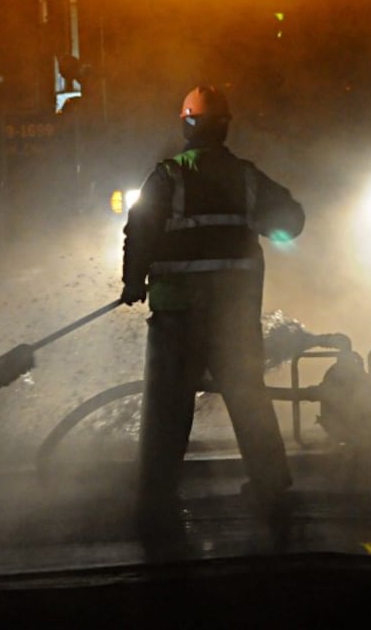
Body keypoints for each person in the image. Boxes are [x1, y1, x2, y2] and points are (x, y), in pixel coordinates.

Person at [121, 85, 305, 533]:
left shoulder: (168, 176)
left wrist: (133, 281)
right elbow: (292, 220)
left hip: (176, 319)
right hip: (234, 318)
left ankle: (157, 501)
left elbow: (140, 231)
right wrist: (265, 228)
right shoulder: (245, 177)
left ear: (186, 123)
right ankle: (271, 490)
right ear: (226, 125)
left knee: (168, 409)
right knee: (249, 403)